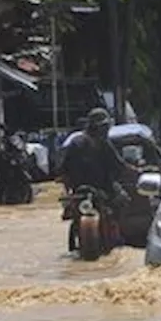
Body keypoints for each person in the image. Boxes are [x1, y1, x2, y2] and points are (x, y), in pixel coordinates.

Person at [60, 107, 131, 251]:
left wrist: (68, 187)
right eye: (104, 127)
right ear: (99, 127)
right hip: (102, 189)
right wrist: (135, 171)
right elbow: (119, 165)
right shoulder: (103, 143)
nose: (106, 130)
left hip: (79, 190)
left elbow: (63, 169)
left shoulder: (75, 142)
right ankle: (116, 232)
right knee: (124, 199)